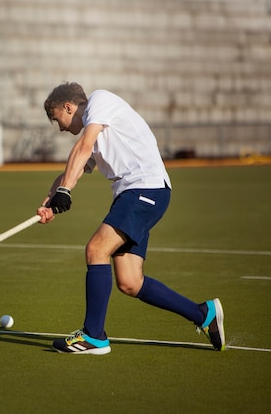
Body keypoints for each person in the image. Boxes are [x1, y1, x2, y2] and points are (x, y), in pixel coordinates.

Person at [37, 82, 225, 354]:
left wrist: (65, 191)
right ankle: (203, 314)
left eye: (58, 119)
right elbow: (77, 167)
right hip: (141, 193)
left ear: (69, 107)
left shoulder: (99, 102)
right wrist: (49, 201)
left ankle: (93, 336)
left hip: (143, 189)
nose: (61, 127)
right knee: (129, 281)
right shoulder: (101, 128)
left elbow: (82, 147)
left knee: (96, 249)